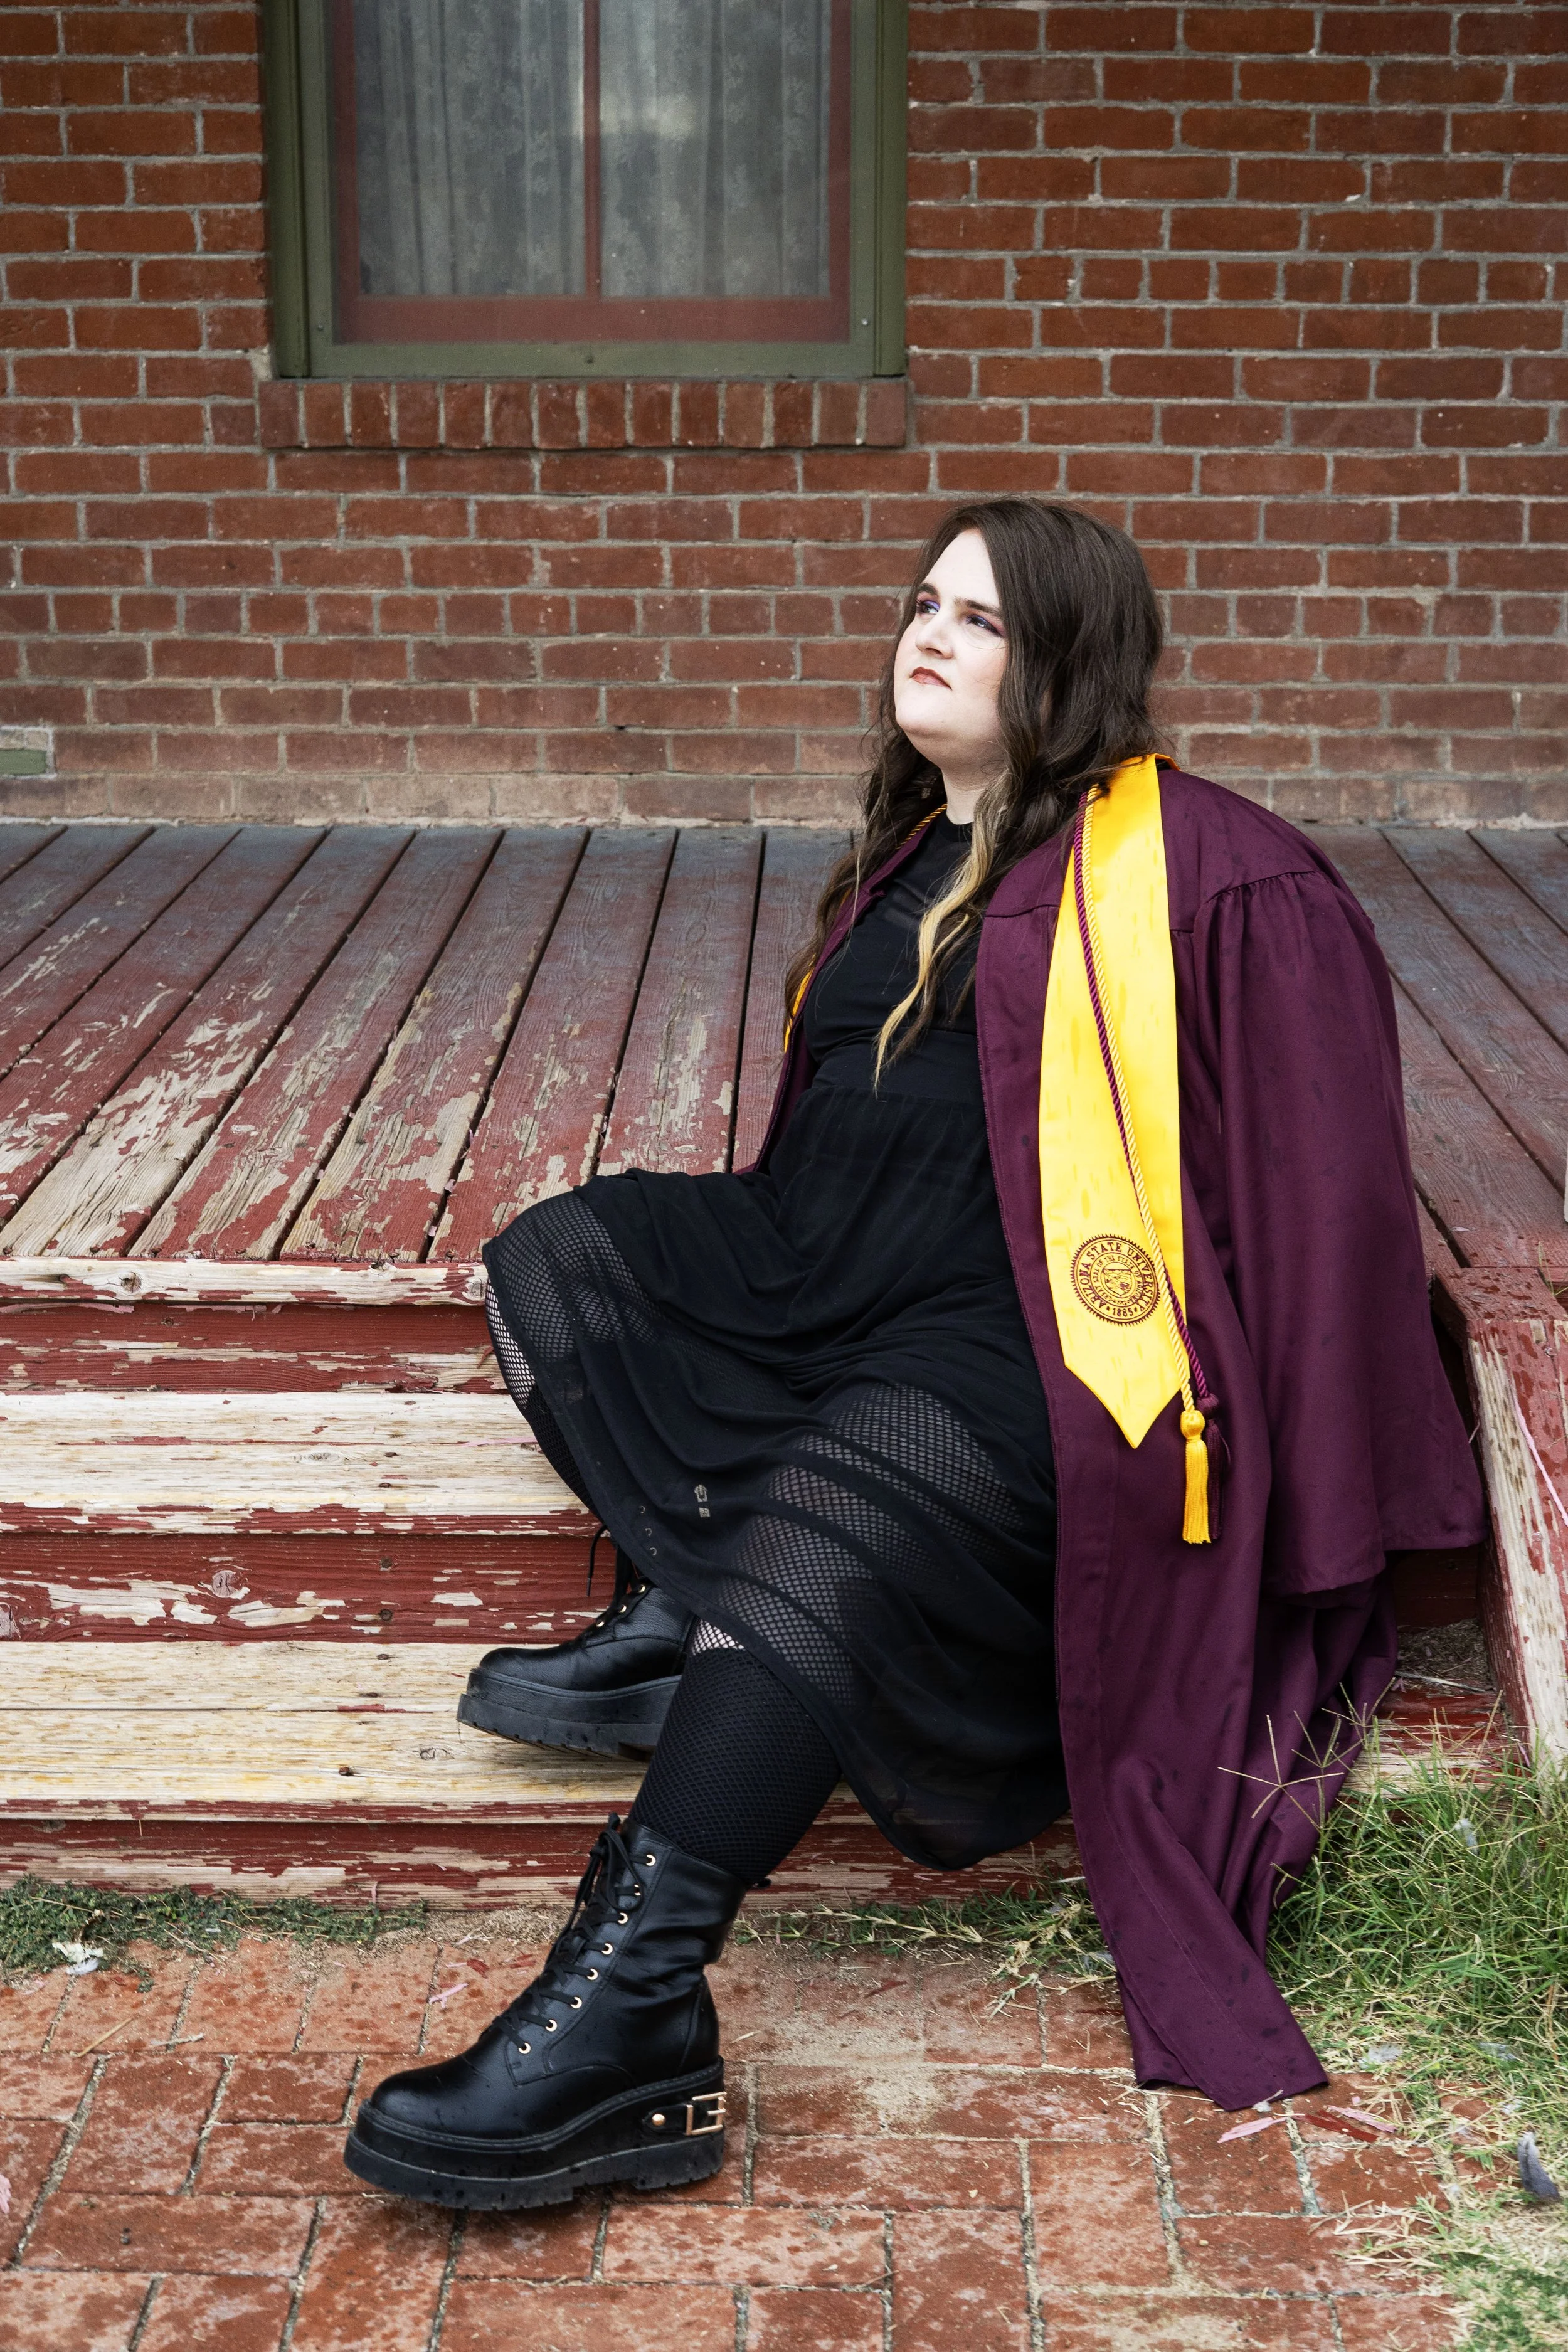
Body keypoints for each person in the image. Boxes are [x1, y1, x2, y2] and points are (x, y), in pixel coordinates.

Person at [344, 498, 1483, 2211]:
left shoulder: (1218, 874)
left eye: (986, 620)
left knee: (847, 1499)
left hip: (1055, 1339)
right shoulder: (908, 853)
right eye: (924, 603)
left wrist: (1305, 1479)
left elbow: (1321, 1187)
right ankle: (702, 1611)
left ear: (1072, 661)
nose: (928, 636)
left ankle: (631, 2000)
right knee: (579, 1260)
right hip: (852, 1282)